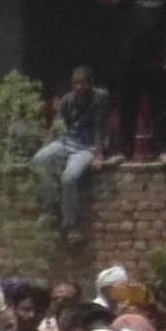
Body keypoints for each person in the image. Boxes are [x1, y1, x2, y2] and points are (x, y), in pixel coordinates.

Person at [30, 64, 106, 235]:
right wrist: (46, 146)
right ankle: (49, 209)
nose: (78, 87)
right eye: (75, 84)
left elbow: (99, 128)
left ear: (90, 84)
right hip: (66, 142)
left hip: (86, 147)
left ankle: (70, 225)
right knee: (39, 160)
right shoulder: (67, 99)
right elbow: (57, 126)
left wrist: (99, 155)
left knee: (69, 178)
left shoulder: (99, 98)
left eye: (82, 83)